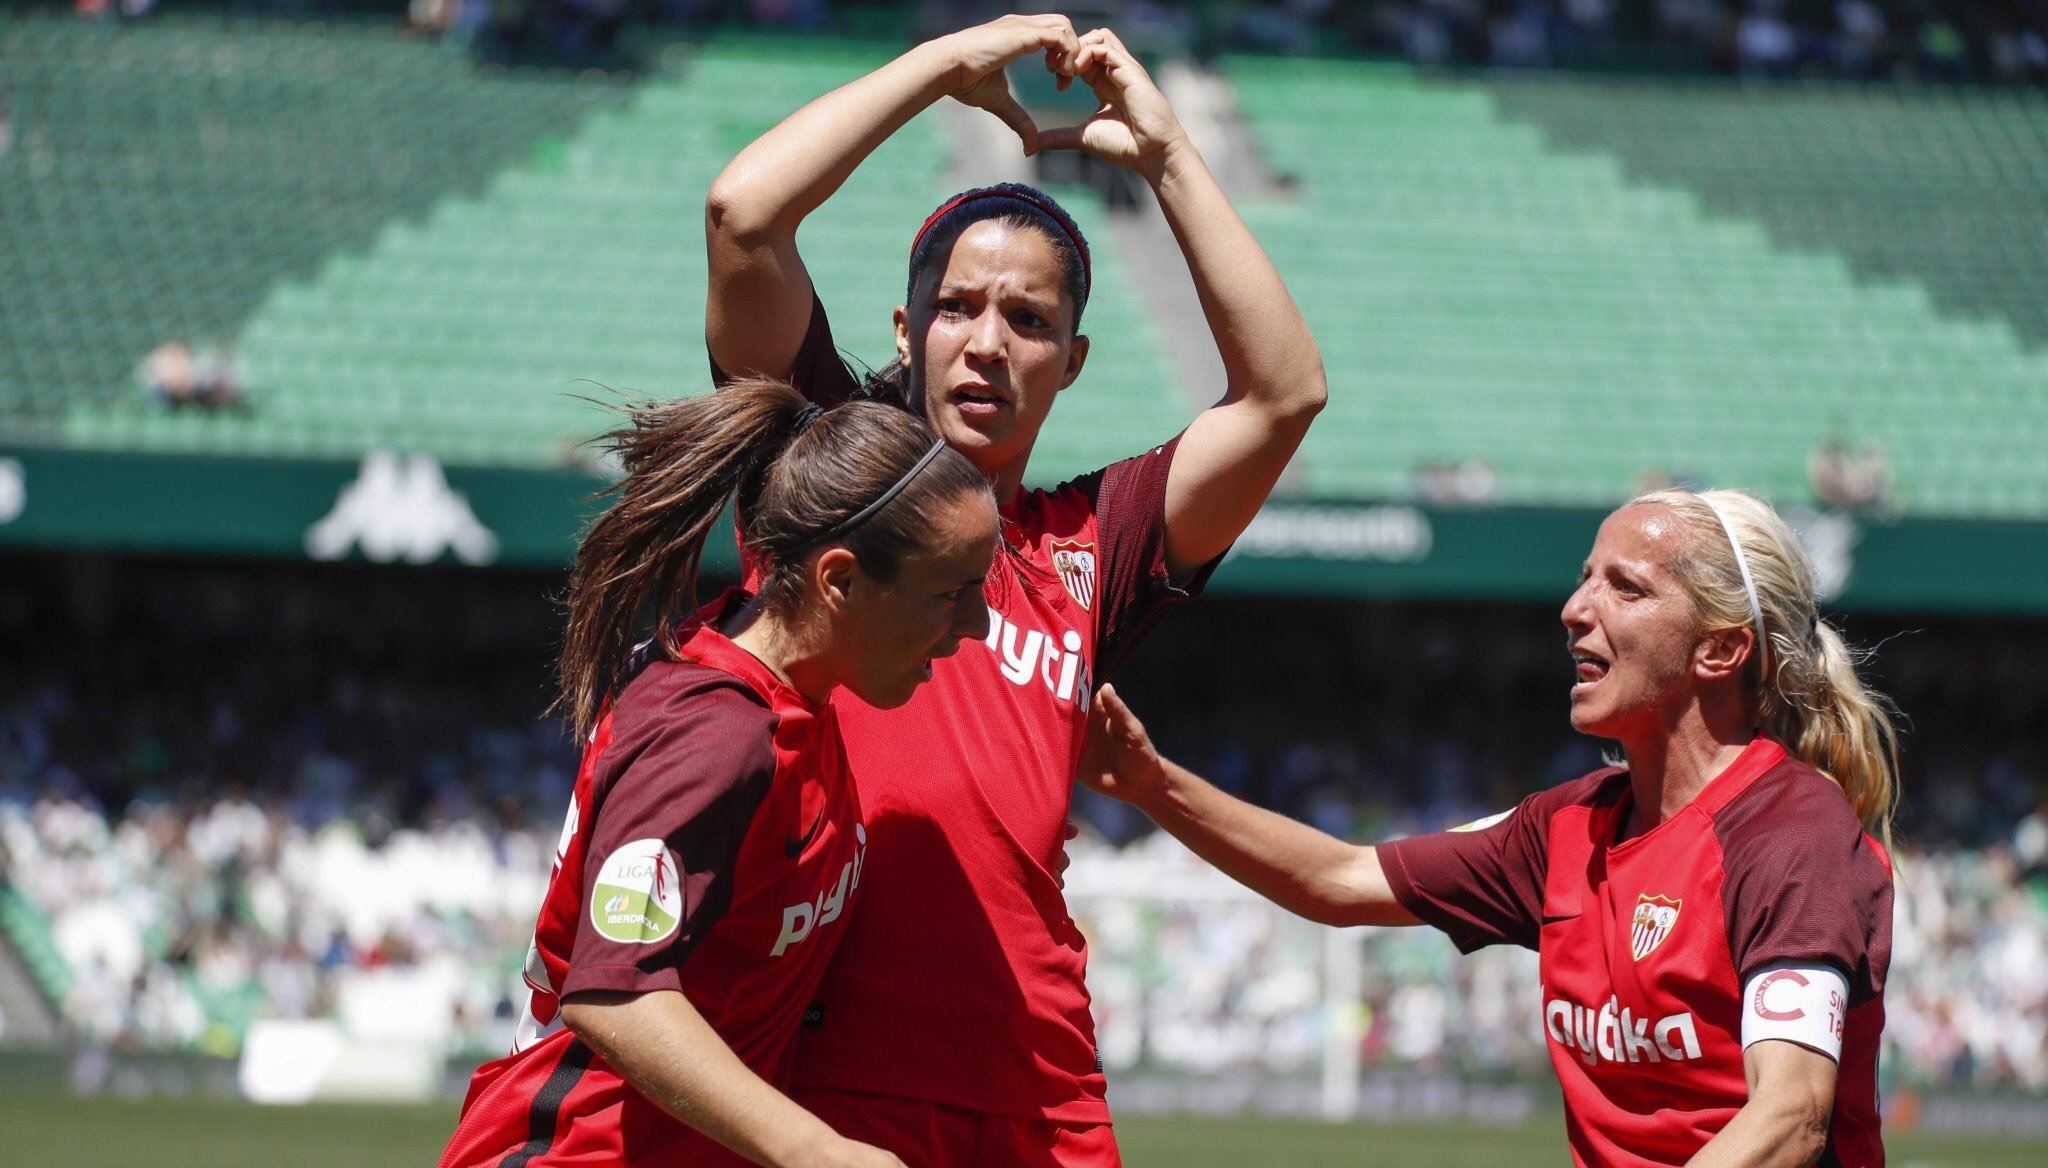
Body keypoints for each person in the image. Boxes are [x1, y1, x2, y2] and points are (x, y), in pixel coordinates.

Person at [703, 13, 1326, 1164]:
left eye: (1029, 320)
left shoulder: (1095, 539)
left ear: (1071, 362)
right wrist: (947, 64)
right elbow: (744, 215)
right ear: (907, 330)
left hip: (1043, 1089)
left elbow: (1282, 395)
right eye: (958, 307)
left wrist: (1166, 156)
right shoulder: (817, 462)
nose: (987, 343)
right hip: (828, 1080)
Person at [1079, 488, 1900, 1168]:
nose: (1575, 610)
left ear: (1719, 651)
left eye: (1626, 588)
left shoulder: (1788, 833)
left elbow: (1791, 1118)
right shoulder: (1565, 828)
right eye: (1584, 580)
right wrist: (1152, 786)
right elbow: (1338, 880)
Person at [440, 378, 999, 1168]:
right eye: (951, 592)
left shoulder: (786, 696)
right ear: (839, 581)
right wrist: (815, 1151)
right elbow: (616, 993)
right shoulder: (714, 736)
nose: (977, 623)